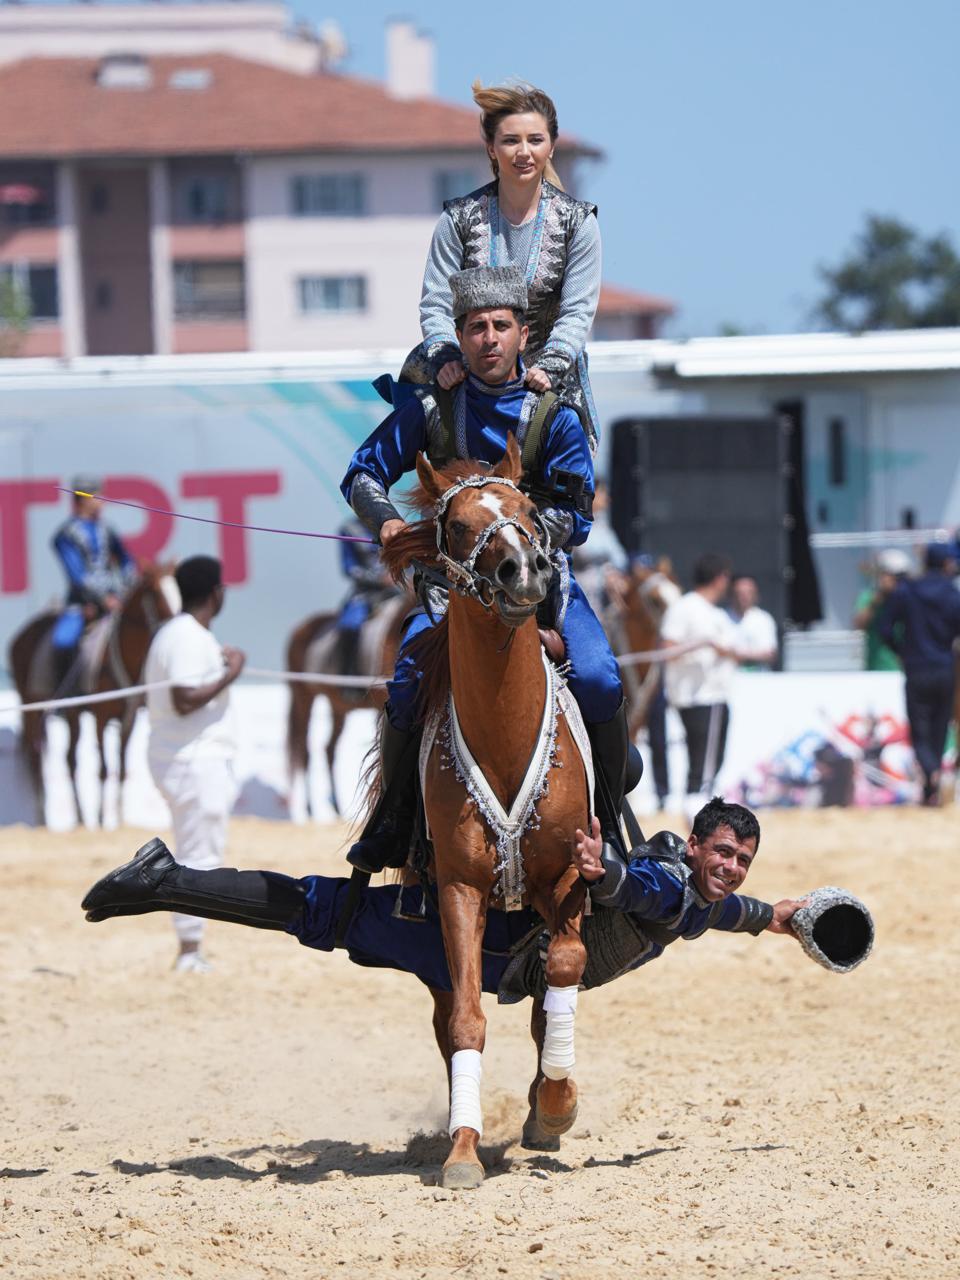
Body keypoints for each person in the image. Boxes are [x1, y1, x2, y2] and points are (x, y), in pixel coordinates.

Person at [341, 264, 626, 873]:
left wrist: (512, 537)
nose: (488, 337)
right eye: (475, 327)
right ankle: (394, 825)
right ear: (461, 337)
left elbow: (578, 516)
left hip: (543, 586)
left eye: (500, 325)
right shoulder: (430, 408)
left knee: (600, 678)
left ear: (524, 334)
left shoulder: (557, 416)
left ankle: (612, 828)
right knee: (408, 683)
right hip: (455, 596)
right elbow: (361, 472)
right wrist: (388, 524)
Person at [81, 797, 805, 1001]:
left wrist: (784, 918)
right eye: (723, 854)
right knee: (318, 909)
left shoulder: (708, 903)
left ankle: (165, 880)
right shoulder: (676, 896)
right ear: (700, 846)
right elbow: (640, 888)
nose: (732, 869)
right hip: (470, 940)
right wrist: (604, 873)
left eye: (742, 861)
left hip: (495, 951)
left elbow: (739, 913)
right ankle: (164, 880)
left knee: (318, 909)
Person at [409, 81, 602, 454]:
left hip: (548, 390)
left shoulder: (579, 222)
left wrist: (550, 366)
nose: (524, 152)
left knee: (568, 498)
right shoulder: (458, 219)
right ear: (491, 149)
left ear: (551, 147)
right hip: (469, 386)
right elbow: (435, 303)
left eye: (535, 140)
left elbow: (578, 311)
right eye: (511, 141)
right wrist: (447, 359)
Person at [142, 555, 245, 972]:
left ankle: (191, 944)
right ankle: (189, 949)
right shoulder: (184, 636)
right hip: (191, 760)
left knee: (200, 850)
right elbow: (184, 699)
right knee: (197, 855)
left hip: (190, 758)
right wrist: (231, 672)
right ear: (216, 593)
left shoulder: (185, 633)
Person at [877, 542, 960, 805]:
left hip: (916, 667)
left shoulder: (907, 591)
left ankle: (931, 775)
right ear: (945, 563)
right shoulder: (952, 593)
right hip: (945, 667)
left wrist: (901, 651)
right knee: (939, 726)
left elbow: (885, 628)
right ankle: (933, 776)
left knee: (920, 728)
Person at [660, 553, 738, 824]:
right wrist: (702, 645)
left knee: (705, 765)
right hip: (702, 696)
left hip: (708, 695)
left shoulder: (714, 613)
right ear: (719, 579)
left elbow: (733, 651)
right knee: (704, 769)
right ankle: (700, 824)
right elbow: (668, 649)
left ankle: (699, 817)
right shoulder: (686, 608)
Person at [51, 476, 136, 692]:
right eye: (96, 496)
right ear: (84, 499)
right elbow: (77, 576)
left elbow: (125, 559)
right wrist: (102, 599)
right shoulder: (66, 534)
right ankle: (65, 695)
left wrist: (128, 586)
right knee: (63, 641)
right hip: (82, 604)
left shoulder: (107, 529)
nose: (102, 501)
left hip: (115, 599)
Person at [332, 516, 401, 682]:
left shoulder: (394, 526)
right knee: (350, 625)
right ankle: (349, 677)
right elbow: (350, 568)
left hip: (397, 591)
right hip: (365, 593)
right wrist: (379, 579)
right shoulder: (349, 529)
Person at [571, 481, 628, 618]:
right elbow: (583, 552)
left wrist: (611, 573)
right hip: (583, 587)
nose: (607, 499)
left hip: (607, 589)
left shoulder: (602, 524)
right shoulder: (576, 519)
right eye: (603, 493)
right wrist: (606, 566)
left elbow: (620, 557)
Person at [853, 549, 911, 671]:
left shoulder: (910, 598)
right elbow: (858, 625)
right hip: (877, 670)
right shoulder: (869, 597)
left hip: (906, 669)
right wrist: (877, 600)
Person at [727, 575, 778, 671]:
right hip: (728, 678)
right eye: (740, 593)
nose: (744, 597)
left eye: (748, 593)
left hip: (758, 679)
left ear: (755, 595)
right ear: (732, 594)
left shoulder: (764, 619)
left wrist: (739, 654)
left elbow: (770, 654)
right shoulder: (721, 618)